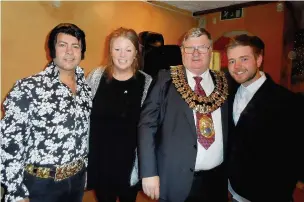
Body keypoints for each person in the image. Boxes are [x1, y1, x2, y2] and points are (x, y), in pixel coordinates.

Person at [0, 23, 92, 202]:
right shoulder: (28, 88)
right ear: (52, 50)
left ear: (82, 52)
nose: (69, 51)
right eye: (62, 45)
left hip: (77, 182)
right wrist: (16, 193)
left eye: (75, 46)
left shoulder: (86, 89)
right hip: (40, 185)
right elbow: (9, 141)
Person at [138, 27, 229, 202]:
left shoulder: (224, 82)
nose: (195, 53)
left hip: (216, 180)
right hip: (176, 179)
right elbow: (146, 125)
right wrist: (149, 172)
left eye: (202, 47)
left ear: (210, 50)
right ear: (182, 51)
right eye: (189, 48)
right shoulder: (165, 80)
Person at [226, 34, 303, 202]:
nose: (236, 66)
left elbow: (295, 154)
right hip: (234, 191)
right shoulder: (228, 95)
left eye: (244, 59)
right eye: (232, 61)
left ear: (259, 59)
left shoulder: (286, 101)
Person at [86, 27, 152, 202]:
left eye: (128, 50)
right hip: (100, 161)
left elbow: (151, 125)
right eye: (117, 49)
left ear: (136, 53)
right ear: (110, 51)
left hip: (129, 164)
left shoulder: (146, 82)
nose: (122, 55)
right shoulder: (96, 76)